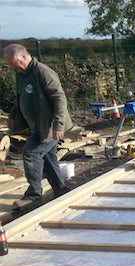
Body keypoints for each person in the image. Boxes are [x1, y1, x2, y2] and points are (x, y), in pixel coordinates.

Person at [3, 43, 72, 208]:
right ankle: (61, 189)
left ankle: (34, 194)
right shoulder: (21, 73)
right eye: (10, 64)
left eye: (14, 63)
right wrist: (13, 116)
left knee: (30, 153)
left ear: (25, 57)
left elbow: (59, 99)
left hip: (49, 126)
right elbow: (20, 98)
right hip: (37, 125)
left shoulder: (42, 72)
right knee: (47, 157)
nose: (12, 66)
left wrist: (58, 125)